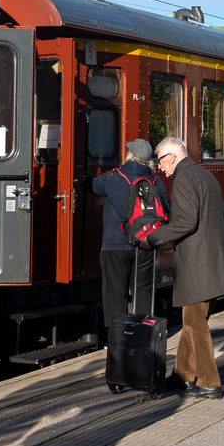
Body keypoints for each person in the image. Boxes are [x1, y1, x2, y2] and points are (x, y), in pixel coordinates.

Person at [143, 137, 224, 399]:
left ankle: (209, 381)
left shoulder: (184, 179)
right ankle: (183, 376)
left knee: (196, 325)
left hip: (198, 265)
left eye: (160, 161)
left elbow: (186, 222)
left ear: (171, 158)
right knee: (192, 322)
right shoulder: (205, 175)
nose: (160, 168)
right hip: (213, 262)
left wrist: (154, 237)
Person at [92, 139, 169, 324]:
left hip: (114, 245)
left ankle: (116, 339)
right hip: (145, 244)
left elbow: (94, 186)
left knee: (114, 293)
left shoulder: (112, 177)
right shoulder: (155, 180)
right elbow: (165, 207)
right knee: (143, 291)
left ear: (130, 156)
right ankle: (142, 337)